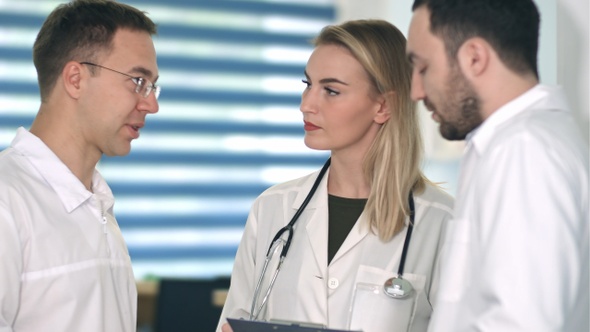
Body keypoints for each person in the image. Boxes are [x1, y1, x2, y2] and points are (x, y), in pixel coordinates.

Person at [217, 19, 454, 332]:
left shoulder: (444, 222)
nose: (306, 105)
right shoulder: (272, 208)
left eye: (331, 90)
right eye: (307, 85)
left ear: (383, 106)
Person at [405, 0, 589, 331]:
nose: (416, 91)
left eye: (422, 68)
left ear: (475, 58)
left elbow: (522, 322)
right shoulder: (517, 143)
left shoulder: (524, 150)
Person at [0, 0, 159, 331]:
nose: (151, 104)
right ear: (75, 78)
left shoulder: (99, 205)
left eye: (152, 86)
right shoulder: (7, 201)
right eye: (138, 81)